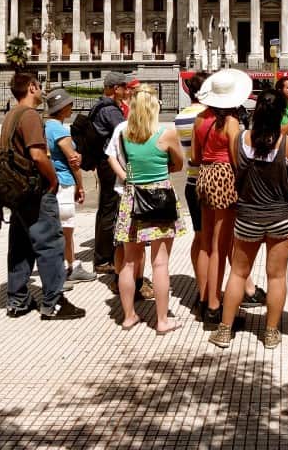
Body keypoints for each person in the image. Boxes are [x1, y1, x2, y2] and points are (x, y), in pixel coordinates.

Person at [209, 90, 288, 350]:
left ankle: (224, 330)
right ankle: (270, 332)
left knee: (238, 273)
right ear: (281, 113)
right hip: (281, 216)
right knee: (277, 276)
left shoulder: (239, 140)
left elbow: (239, 172)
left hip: (248, 215)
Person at [3, 73, 85, 320]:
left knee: (20, 245)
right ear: (31, 87)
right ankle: (53, 301)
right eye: (39, 86)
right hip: (34, 190)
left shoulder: (10, 115)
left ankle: (16, 299)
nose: (41, 91)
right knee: (50, 243)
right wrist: (53, 180)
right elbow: (38, 156)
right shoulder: (29, 116)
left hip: (16, 191)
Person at [108, 85, 187, 333]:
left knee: (130, 262)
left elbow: (117, 159)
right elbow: (178, 163)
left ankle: (129, 315)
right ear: (154, 107)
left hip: (133, 197)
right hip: (161, 196)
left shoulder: (125, 133)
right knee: (160, 263)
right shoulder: (166, 133)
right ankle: (162, 320)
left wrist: (128, 176)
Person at [192, 69, 249, 324]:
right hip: (224, 178)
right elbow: (237, 157)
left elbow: (194, 155)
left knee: (206, 242)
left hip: (203, 176)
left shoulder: (199, 119)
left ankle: (204, 298)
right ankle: (215, 306)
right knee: (221, 245)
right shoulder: (230, 122)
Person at [44, 88, 96, 287]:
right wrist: (80, 186)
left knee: (59, 228)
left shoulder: (47, 127)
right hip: (64, 182)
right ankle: (67, 268)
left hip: (54, 182)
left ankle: (68, 265)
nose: (72, 107)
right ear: (63, 108)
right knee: (66, 228)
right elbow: (73, 161)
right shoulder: (58, 130)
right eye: (69, 104)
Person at [88, 72, 131, 277]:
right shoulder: (110, 110)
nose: (127, 90)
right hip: (108, 164)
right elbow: (126, 132)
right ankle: (104, 258)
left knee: (106, 207)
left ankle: (102, 255)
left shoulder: (100, 106)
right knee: (109, 208)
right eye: (125, 87)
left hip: (103, 163)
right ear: (116, 89)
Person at [175, 71, 209, 309]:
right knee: (215, 243)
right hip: (212, 182)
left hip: (190, 182)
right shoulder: (209, 117)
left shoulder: (180, 117)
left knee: (199, 237)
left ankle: (201, 287)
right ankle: (210, 294)